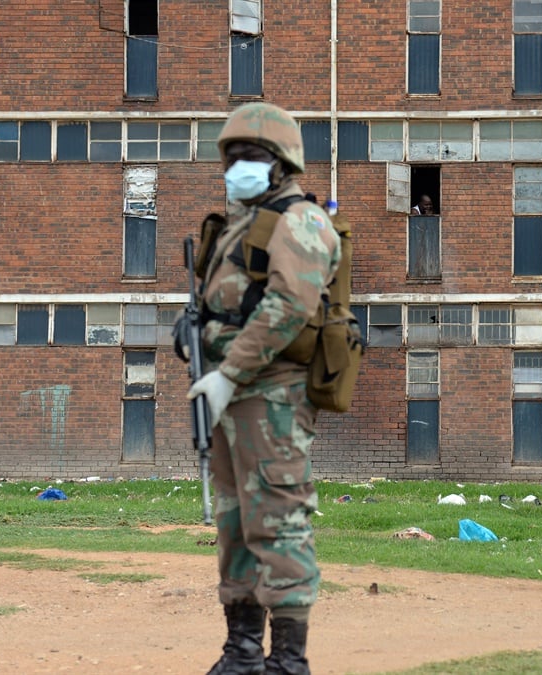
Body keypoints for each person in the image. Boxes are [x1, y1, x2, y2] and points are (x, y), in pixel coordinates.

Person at [187, 102, 341, 675]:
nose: (236, 168)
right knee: (234, 525)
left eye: (249, 157)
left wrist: (229, 374)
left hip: (272, 393)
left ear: (280, 163)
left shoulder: (300, 219)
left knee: (277, 518)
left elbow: (288, 307)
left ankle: (288, 662)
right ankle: (243, 651)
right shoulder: (238, 226)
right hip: (230, 393)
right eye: (231, 158)